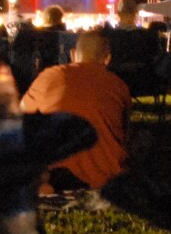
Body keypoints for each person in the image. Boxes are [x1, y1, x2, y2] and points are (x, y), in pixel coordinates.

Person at [19, 29, 131, 190]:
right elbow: (125, 134)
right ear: (108, 59)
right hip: (106, 180)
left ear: (72, 54)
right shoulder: (118, 86)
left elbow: (21, 116)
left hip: (55, 176)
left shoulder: (50, 76)